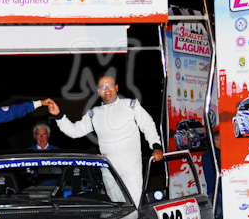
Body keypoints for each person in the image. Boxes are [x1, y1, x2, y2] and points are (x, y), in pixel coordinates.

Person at [47, 73, 163, 205]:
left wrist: (156, 146)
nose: (107, 89)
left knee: (134, 204)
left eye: (110, 85)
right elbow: (74, 131)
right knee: (115, 206)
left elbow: (148, 125)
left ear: (116, 87)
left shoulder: (131, 105)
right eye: (102, 87)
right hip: (109, 169)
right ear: (98, 91)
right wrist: (59, 115)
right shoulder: (94, 113)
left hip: (131, 166)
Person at [202, 128, 224, 219]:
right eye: (217, 140)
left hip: (222, 191)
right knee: (218, 216)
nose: (220, 142)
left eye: (221, 139)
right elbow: (212, 175)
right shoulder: (210, 155)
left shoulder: (220, 153)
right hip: (216, 191)